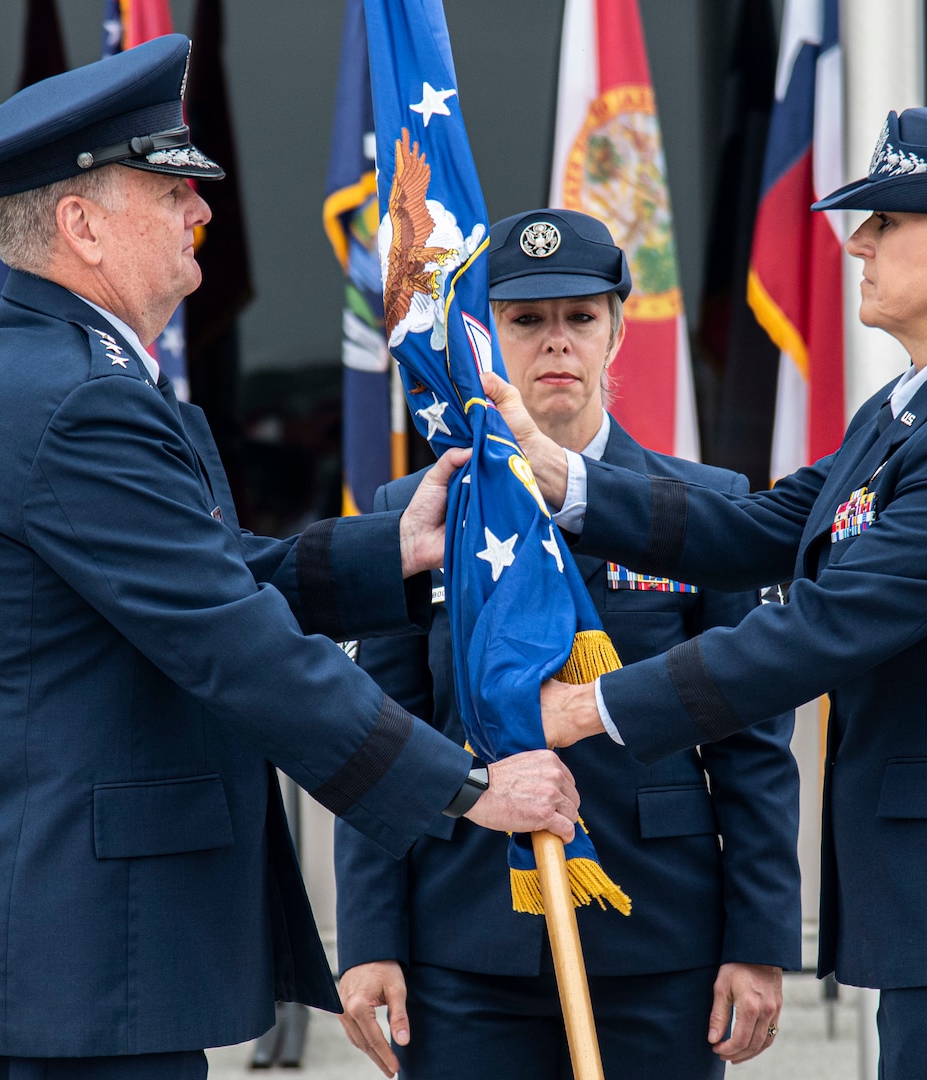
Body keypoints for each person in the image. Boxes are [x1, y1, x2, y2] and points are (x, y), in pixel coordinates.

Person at [0, 37, 580, 1080]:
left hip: (62, 943)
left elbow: (203, 576)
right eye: (170, 191)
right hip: (80, 955)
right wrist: (464, 785)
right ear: (82, 224)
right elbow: (228, 640)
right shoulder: (78, 400)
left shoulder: (60, 372)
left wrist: (393, 550)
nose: (203, 211)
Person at [496, 109, 927, 1080]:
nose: (858, 241)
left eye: (888, 221)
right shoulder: (921, 405)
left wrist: (588, 707)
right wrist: (562, 478)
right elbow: (761, 530)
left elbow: (822, 629)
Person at [333, 209, 800, 1080]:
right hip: (462, 939)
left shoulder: (703, 508)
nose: (556, 343)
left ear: (616, 331)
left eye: (580, 318)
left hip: (655, 938)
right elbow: (377, 735)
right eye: (525, 320)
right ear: (486, 336)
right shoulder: (419, 512)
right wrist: (368, 941)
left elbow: (751, 745)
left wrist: (759, 939)